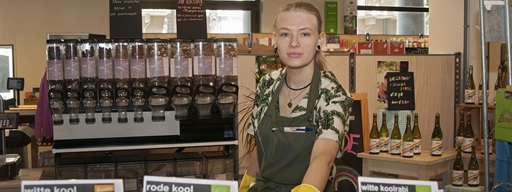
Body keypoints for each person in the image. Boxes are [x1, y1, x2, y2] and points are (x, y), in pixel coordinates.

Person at [239, 2, 354, 192]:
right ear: (274, 39)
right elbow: (259, 152)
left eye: (305, 34)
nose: (294, 42)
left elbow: (323, 158)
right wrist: (246, 186)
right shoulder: (267, 84)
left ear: (320, 39)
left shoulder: (332, 94)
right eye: (285, 34)